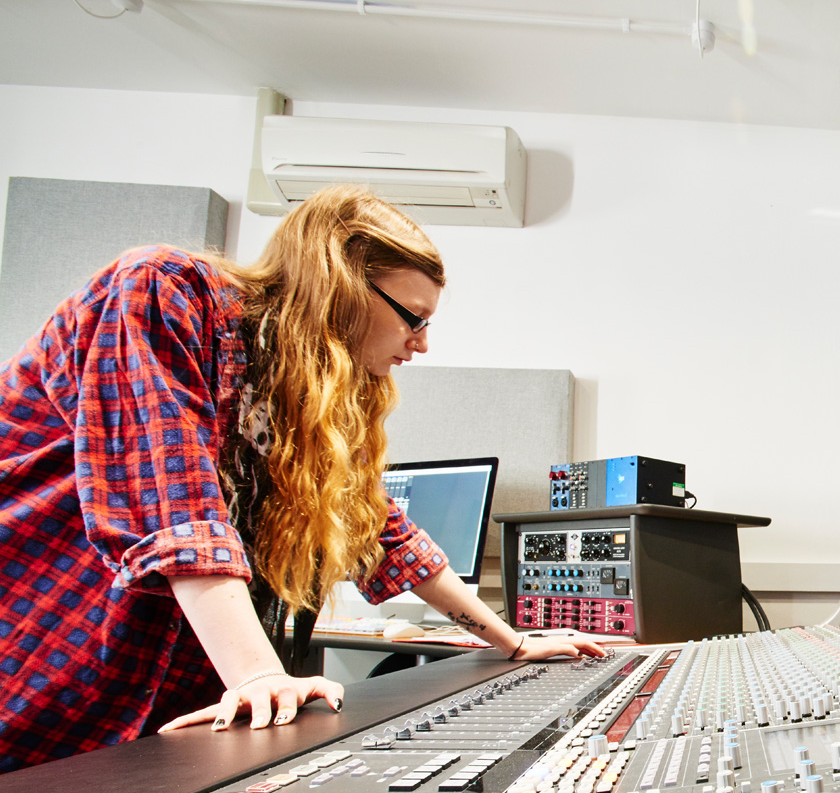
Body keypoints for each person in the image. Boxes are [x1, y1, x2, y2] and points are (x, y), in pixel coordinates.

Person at [0, 185, 603, 772]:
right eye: (413, 319)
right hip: (44, 661)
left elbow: (379, 529)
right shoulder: (163, 289)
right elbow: (174, 495)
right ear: (340, 283)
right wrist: (258, 673)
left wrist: (515, 643)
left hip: (165, 700)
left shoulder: (308, 398)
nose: (421, 344)